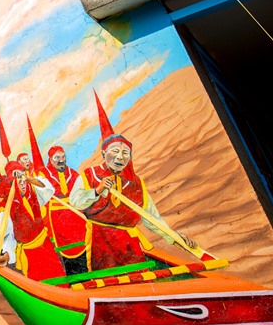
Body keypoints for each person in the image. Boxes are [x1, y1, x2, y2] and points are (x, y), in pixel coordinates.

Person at [70, 94, 196, 271]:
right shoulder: (89, 175)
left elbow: (152, 218)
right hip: (101, 242)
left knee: (139, 276)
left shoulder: (136, 184)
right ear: (104, 153)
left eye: (125, 153)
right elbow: (75, 201)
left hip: (130, 243)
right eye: (115, 151)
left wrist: (175, 238)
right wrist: (97, 190)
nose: (120, 157)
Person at [2, 160, 64, 281]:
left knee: (58, 276)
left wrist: (27, 178)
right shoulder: (8, 206)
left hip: (45, 245)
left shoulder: (33, 191)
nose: (23, 184)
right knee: (39, 281)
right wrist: (7, 254)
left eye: (24, 181)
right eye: (19, 182)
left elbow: (48, 188)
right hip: (30, 253)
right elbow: (8, 236)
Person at [42, 145, 89, 276]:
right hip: (57, 219)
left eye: (63, 157)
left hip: (75, 216)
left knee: (82, 245)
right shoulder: (44, 175)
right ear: (50, 160)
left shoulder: (73, 174)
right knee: (64, 249)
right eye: (57, 157)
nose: (61, 160)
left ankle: (85, 278)